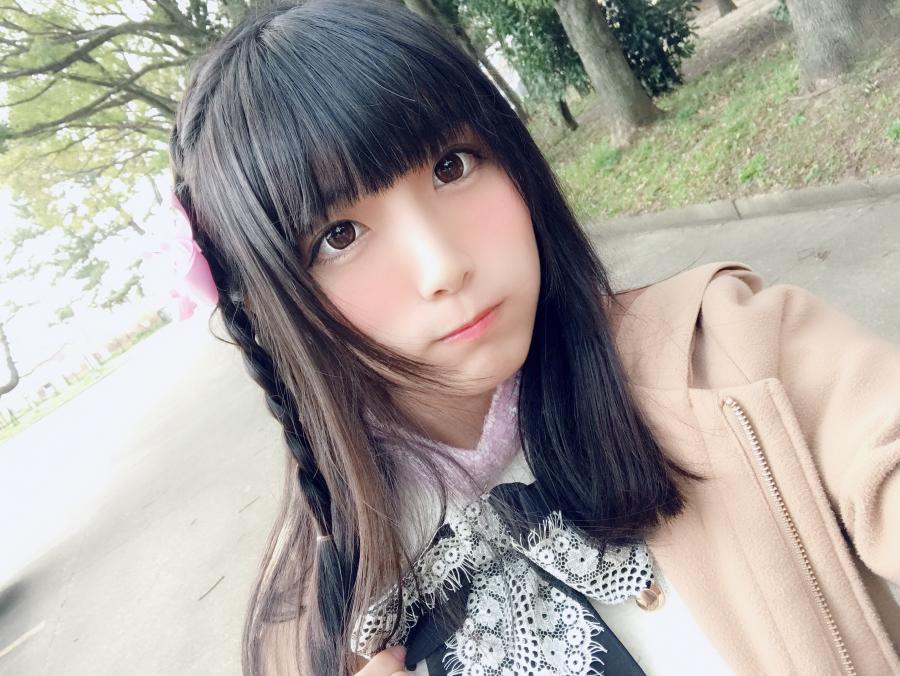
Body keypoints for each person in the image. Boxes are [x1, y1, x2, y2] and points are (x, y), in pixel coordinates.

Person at [166, 1, 900, 674]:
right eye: (339, 235)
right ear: (267, 309)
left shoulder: (735, 354)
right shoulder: (308, 632)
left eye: (452, 166)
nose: (443, 266)